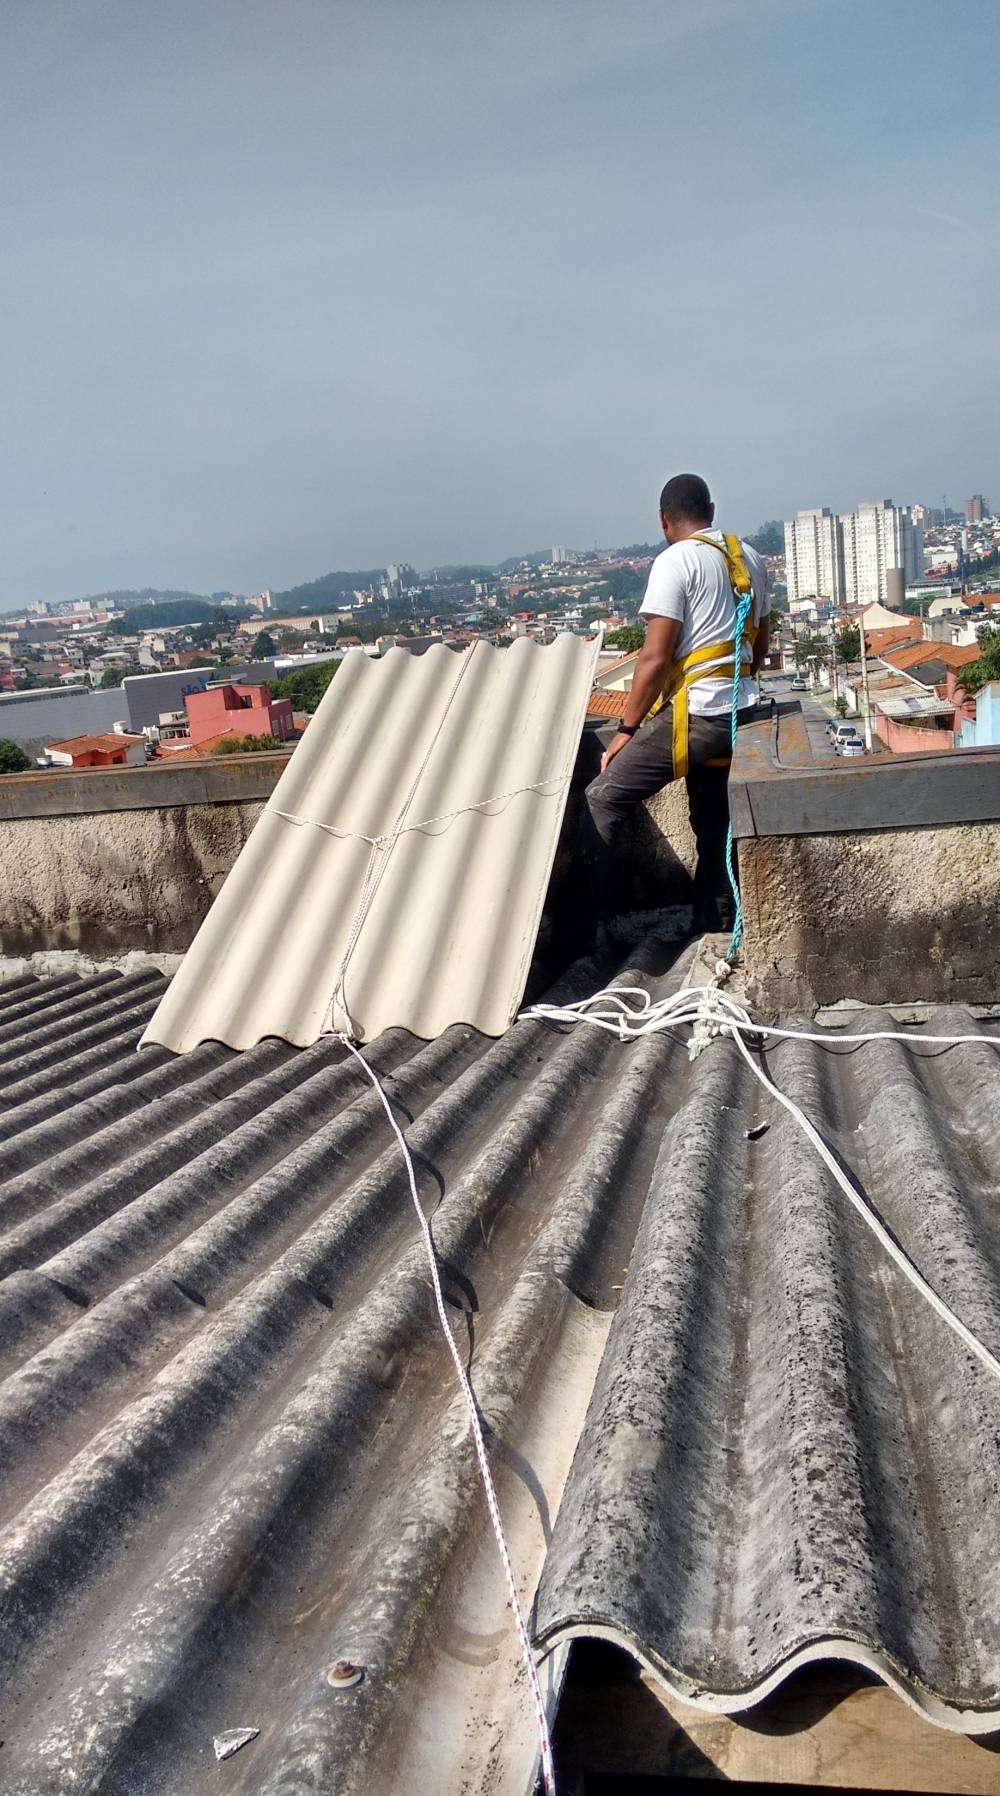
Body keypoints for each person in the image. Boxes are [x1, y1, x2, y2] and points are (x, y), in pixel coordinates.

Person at [568, 472, 770, 950]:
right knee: (712, 819)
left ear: (664, 521)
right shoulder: (750, 557)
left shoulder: (675, 561)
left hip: (699, 716)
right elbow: (759, 644)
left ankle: (578, 936)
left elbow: (655, 658)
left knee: (602, 796)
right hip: (740, 710)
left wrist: (626, 730)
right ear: (712, 511)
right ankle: (714, 923)